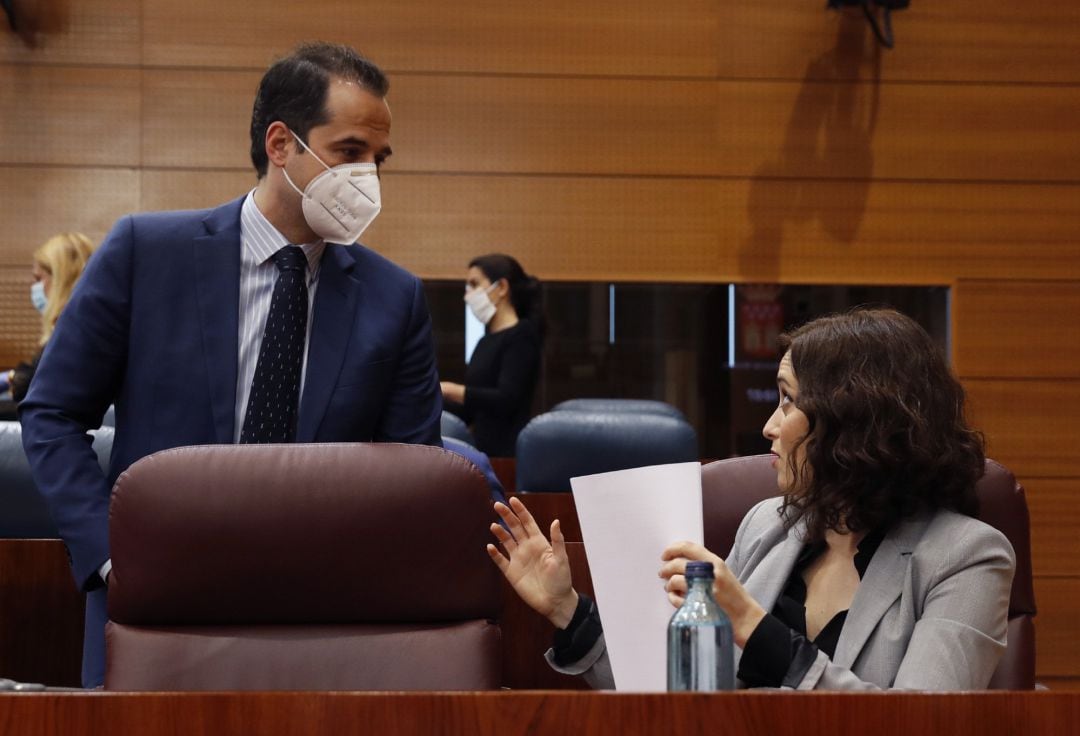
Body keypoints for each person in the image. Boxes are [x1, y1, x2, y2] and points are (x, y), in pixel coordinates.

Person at [19, 42, 442, 688]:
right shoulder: (145, 252)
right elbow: (51, 413)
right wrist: (110, 559)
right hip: (153, 601)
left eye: (379, 161)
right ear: (281, 144)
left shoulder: (395, 299)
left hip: (321, 615)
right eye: (351, 153)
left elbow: (416, 472)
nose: (369, 179)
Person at [488, 308, 1015, 690]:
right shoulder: (769, 525)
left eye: (788, 401)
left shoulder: (966, 556)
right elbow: (676, 696)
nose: (769, 426)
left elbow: (925, 727)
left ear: (854, 422)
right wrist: (569, 611)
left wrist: (756, 629)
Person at [441, 254, 542, 457]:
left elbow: (507, 398)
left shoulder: (522, 335)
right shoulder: (485, 340)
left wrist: (452, 390)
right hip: (481, 450)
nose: (467, 294)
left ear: (502, 287)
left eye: (474, 284)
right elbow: (473, 408)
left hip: (509, 454)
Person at [1, 233, 94, 402]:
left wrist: (15, 379)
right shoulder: (80, 324)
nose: (34, 287)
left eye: (38, 278)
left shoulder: (75, 329)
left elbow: (46, 386)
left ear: (61, 279)